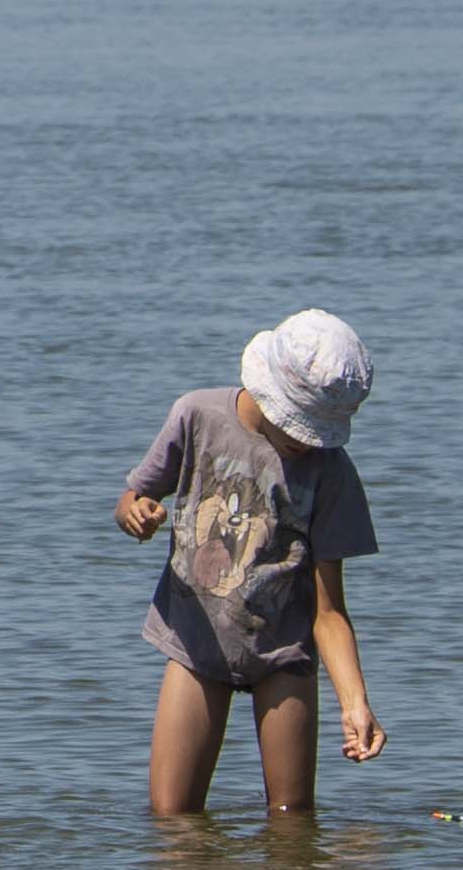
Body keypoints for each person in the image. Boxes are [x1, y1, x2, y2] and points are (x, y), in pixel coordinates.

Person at [119, 306, 387, 821]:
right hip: (195, 644)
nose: (306, 443)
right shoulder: (196, 416)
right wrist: (136, 513)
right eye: (299, 428)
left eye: (316, 434)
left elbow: (329, 612)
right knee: (173, 822)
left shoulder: (330, 472)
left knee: (292, 824)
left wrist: (355, 703)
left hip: (283, 655)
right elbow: (134, 496)